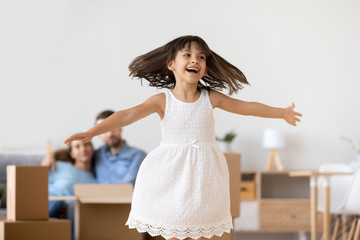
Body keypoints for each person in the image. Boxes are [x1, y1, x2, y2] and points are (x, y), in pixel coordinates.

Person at [64, 35, 302, 240]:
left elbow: (247, 107)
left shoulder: (211, 98)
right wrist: (91, 133)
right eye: (187, 55)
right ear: (171, 65)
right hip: (173, 174)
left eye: (201, 57)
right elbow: (127, 115)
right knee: (176, 232)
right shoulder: (162, 101)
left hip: (205, 176)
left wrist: (281, 113)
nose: (195, 60)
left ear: (205, 68)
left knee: (202, 232)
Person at [43, 110, 146, 185]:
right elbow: (75, 153)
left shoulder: (137, 155)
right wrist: (51, 155)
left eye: (113, 128)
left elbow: (128, 186)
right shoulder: (97, 154)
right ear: (98, 133)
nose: (110, 134)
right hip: (97, 204)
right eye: (105, 130)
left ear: (121, 128)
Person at [48, 139, 96, 240]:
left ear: (92, 148)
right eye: (77, 147)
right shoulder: (59, 166)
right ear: (72, 154)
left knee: (73, 205)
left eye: (86, 144)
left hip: (70, 208)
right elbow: (38, 180)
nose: (83, 149)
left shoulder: (95, 180)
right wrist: (50, 155)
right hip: (50, 200)